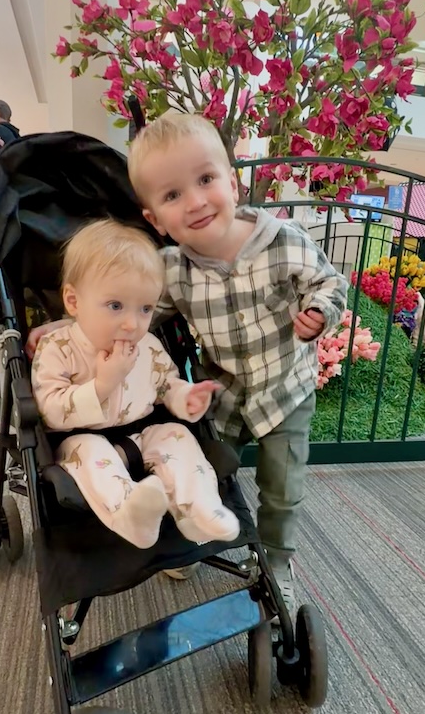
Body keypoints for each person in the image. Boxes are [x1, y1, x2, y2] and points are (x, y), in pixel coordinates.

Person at [28, 114, 347, 608]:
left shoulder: (284, 240)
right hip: (222, 393)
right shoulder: (171, 270)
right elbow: (132, 313)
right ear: (155, 219)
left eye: (206, 179)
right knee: (206, 465)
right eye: (173, 195)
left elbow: (330, 282)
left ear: (232, 183)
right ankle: (194, 526)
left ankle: (278, 559)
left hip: (285, 389)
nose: (195, 201)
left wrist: (320, 313)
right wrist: (67, 327)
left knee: (282, 487)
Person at [31, 218, 240, 550]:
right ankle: (131, 514)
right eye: (115, 306)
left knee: (177, 436)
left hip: (141, 431)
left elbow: (165, 384)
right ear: (73, 302)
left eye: (145, 309)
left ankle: (198, 508)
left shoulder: (148, 346)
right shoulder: (58, 348)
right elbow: (50, 410)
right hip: (79, 438)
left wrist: (185, 398)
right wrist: (103, 384)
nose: (132, 323)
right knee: (91, 455)